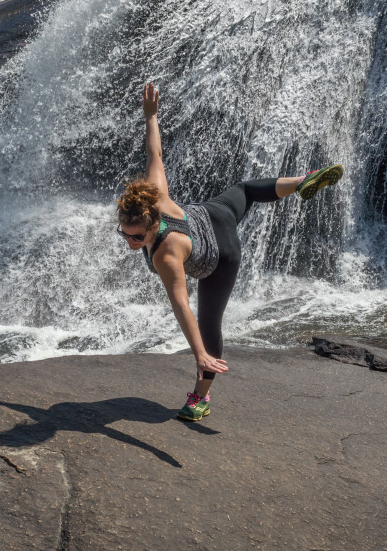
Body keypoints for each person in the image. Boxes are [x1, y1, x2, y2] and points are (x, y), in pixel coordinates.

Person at [116, 83, 343, 421]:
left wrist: (199, 355)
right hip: (211, 214)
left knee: (209, 325)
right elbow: (155, 155)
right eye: (124, 234)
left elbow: (181, 305)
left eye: (136, 237)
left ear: (152, 224)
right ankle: (302, 181)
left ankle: (199, 399)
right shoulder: (155, 196)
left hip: (221, 255)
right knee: (246, 190)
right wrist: (151, 116)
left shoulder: (165, 255)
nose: (130, 242)